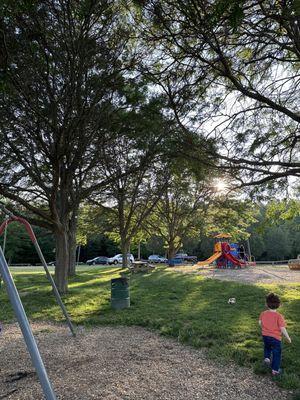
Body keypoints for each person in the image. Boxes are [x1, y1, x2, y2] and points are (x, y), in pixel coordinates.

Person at [259, 293, 291, 376]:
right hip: (276, 338)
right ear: (279, 305)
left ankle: (267, 359)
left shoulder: (263, 313)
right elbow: (282, 328)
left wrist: (264, 328)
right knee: (277, 353)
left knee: (267, 347)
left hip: (265, 336)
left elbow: (260, 323)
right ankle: (275, 370)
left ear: (266, 304)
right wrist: (288, 337)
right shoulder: (279, 316)